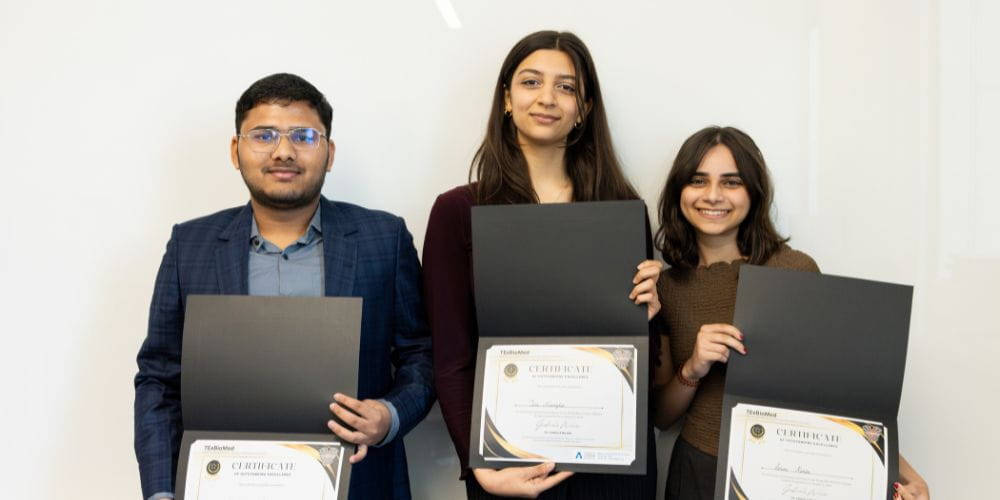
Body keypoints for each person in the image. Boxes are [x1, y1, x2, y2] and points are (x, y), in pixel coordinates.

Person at [133, 73, 435, 500]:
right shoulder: (190, 245)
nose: (283, 151)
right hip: (222, 486)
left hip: (358, 484)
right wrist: (162, 492)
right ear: (236, 151)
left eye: (304, 136)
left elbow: (421, 354)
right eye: (264, 135)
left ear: (329, 153)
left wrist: (389, 416)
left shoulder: (382, 239)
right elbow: (159, 381)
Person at [423, 31, 662, 499]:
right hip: (509, 466)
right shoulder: (458, 211)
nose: (547, 98)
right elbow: (450, 358)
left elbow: (643, 363)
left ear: (584, 108)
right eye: (531, 82)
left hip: (611, 461)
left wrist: (650, 317)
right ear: (507, 98)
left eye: (566, 87)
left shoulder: (622, 209)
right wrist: (479, 467)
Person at [651, 125, 930, 500]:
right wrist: (693, 367)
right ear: (679, 191)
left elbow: (841, 390)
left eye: (731, 182)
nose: (713, 195)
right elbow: (662, 418)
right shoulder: (667, 288)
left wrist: (903, 474)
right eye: (698, 180)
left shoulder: (794, 270)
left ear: (753, 192)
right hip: (700, 469)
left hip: (787, 472)